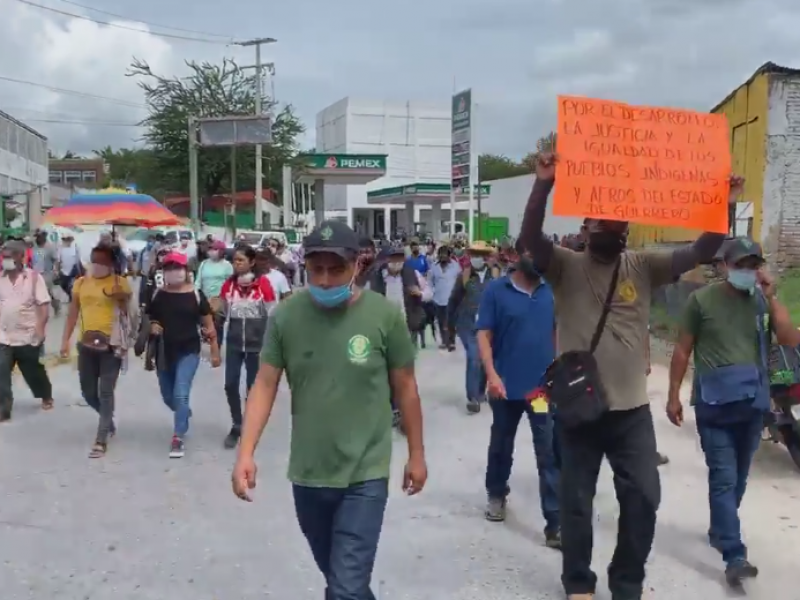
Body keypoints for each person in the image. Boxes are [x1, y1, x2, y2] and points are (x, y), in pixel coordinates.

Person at [519, 152, 742, 600]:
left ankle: (627, 582)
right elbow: (529, 238)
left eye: (619, 222)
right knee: (576, 504)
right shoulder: (564, 264)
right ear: (586, 225)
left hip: (631, 413)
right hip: (580, 408)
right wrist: (543, 184)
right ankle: (578, 582)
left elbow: (702, 249)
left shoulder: (643, 266)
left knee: (644, 497)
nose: (612, 227)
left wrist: (724, 203)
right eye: (602, 220)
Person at [231, 219, 427, 600]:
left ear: (357, 265)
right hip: (308, 474)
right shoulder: (287, 316)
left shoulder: (384, 316)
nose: (323, 280)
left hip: (364, 475)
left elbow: (406, 387)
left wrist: (416, 455)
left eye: (334, 270)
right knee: (342, 581)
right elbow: (265, 384)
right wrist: (246, 453)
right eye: (315, 269)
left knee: (346, 588)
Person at [667, 238, 800, 587]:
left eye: (753, 264)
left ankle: (720, 527)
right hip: (714, 406)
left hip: (752, 406)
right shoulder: (701, 301)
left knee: (738, 480)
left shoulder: (760, 301)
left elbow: (788, 339)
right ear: (724, 266)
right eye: (741, 264)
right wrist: (673, 396)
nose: (747, 270)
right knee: (724, 478)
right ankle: (734, 554)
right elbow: (682, 351)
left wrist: (771, 295)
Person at [476, 243, 561, 545]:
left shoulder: (551, 291)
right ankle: (496, 494)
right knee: (501, 443)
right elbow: (484, 334)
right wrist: (491, 375)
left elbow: (556, 331)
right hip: (506, 386)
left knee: (548, 450)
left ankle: (555, 523)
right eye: (532, 254)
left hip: (540, 390)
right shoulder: (495, 292)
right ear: (516, 256)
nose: (538, 261)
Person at [60, 243, 133, 459]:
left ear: (111, 263)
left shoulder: (121, 283)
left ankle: (101, 439)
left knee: (106, 391)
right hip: (87, 345)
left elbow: (129, 310)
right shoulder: (81, 283)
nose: (97, 264)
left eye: (103, 261)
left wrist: (120, 296)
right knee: (88, 392)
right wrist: (65, 340)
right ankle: (107, 419)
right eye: (94, 259)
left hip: (111, 346)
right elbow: (73, 312)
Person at [147, 252, 221, 458]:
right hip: (164, 352)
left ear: (186, 270)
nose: (174, 272)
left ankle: (178, 436)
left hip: (189, 350)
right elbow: (150, 318)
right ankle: (183, 412)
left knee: (181, 393)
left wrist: (215, 351)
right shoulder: (158, 295)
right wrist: (152, 326)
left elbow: (208, 325)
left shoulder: (196, 295)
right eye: (169, 268)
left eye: (177, 267)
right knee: (168, 396)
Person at [220, 245, 276, 449]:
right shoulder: (228, 286)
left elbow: (272, 315)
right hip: (234, 344)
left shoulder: (263, 285)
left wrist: (269, 343)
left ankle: (251, 426)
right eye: (234, 260)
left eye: (241, 260)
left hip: (256, 346)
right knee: (230, 384)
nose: (237, 264)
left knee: (253, 389)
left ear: (252, 262)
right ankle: (237, 423)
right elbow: (225, 312)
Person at [0, 241, 54, 420]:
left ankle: (45, 394)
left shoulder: (32, 278)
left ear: (20, 257)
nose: (6, 260)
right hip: (4, 336)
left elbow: (44, 305)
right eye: (4, 256)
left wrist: (40, 328)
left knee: (33, 371)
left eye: (9, 256)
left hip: (27, 335)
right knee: (1, 371)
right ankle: (4, 409)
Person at [447, 240, 501, 414]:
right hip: (467, 324)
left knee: (485, 358)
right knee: (474, 356)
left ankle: (479, 391)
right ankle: (472, 398)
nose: (477, 259)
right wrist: (448, 326)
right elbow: (453, 301)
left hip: (488, 326)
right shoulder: (464, 276)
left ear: (486, 257)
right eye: (474, 255)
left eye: (480, 255)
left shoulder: (497, 276)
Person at [370, 245, 426, 348]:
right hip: (385, 325)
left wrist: (420, 293)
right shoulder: (377, 276)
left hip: (407, 324)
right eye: (394, 258)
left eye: (400, 258)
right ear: (387, 259)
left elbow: (429, 293)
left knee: (408, 359)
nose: (397, 262)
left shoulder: (412, 273)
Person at [428, 245, 460, 350]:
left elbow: (460, 281)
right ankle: (444, 341)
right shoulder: (434, 267)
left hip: (451, 299)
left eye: (445, 255)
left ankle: (451, 341)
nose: (442, 257)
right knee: (441, 321)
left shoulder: (456, 266)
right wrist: (432, 292)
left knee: (450, 321)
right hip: (438, 299)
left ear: (449, 256)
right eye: (440, 255)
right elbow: (430, 281)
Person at [32, 230, 60, 316]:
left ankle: (55, 305)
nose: (37, 238)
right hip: (36, 273)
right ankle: (39, 310)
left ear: (43, 237)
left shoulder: (50, 247)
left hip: (46, 273)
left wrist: (56, 270)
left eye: (39, 236)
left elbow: (56, 260)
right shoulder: (34, 247)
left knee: (47, 291)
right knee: (35, 291)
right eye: (36, 237)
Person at [56, 232, 82, 302]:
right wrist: (57, 272)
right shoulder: (60, 249)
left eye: (68, 239)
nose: (67, 241)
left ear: (71, 240)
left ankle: (72, 301)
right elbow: (58, 262)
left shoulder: (76, 248)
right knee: (64, 287)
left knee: (72, 289)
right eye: (65, 239)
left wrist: (79, 273)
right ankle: (69, 298)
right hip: (64, 273)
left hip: (73, 273)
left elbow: (78, 261)